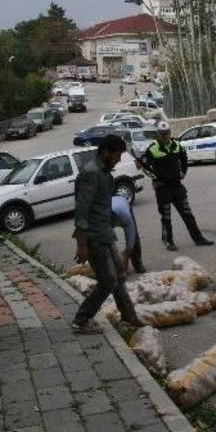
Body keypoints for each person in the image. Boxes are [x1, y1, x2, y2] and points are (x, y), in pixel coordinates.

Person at [71, 134, 145, 334]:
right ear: (105, 152)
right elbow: (82, 211)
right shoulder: (91, 173)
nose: (119, 159)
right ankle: (81, 320)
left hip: (105, 233)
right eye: (116, 155)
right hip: (94, 237)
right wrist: (82, 244)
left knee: (119, 276)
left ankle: (130, 317)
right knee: (108, 281)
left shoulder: (104, 173)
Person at [141, 121, 215, 251]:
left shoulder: (177, 145)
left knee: (188, 214)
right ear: (158, 134)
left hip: (177, 186)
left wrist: (183, 172)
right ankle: (168, 241)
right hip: (162, 188)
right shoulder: (152, 149)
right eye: (162, 134)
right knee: (166, 216)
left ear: (170, 132)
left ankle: (198, 238)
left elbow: (184, 159)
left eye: (167, 133)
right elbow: (144, 166)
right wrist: (156, 178)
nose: (165, 136)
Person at [111, 194, 146, 273]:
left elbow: (130, 237)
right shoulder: (102, 215)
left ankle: (138, 263)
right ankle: (112, 265)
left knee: (134, 236)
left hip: (123, 203)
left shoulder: (125, 215)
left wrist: (126, 259)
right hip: (111, 205)